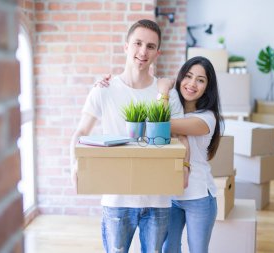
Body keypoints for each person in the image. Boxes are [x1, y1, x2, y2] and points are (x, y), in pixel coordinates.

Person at [69, 19, 188, 253]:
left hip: (158, 201)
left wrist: (185, 167)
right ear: (126, 46)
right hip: (116, 201)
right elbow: (81, 132)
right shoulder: (104, 89)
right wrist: (74, 166)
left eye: (151, 46)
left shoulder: (167, 93)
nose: (143, 51)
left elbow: (180, 137)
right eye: (138, 43)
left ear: (158, 52)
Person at [159, 56, 224, 253]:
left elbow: (161, 125)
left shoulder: (207, 118)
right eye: (188, 76)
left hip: (199, 197)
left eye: (200, 80)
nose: (192, 84)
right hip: (171, 194)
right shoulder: (172, 107)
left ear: (207, 87)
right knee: (168, 249)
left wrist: (163, 90)